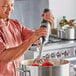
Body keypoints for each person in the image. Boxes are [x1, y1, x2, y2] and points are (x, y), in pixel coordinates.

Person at [0, 0, 54, 76]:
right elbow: (4, 56)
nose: (10, 9)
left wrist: (46, 25)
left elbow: (38, 38)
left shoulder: (16, 25)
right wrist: (30, 41)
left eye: (12, 5)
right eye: (5, 6)